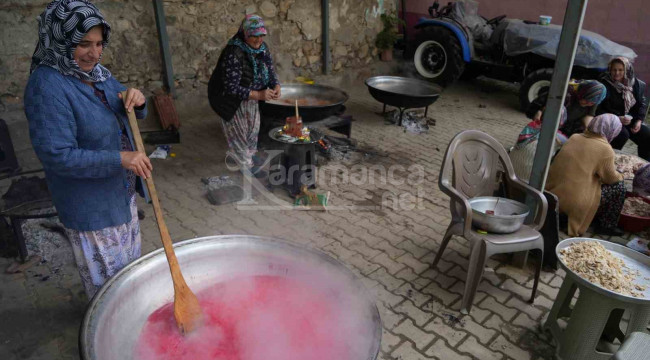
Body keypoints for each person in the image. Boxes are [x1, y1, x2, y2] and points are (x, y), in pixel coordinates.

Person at [24, 0, 151, 298]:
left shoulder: (98, 74)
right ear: (60, 40)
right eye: (83, 44)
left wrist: (137, 101)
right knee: (110, 293)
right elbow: (58, 156)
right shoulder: (47, 86)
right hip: (91, 207)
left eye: (98, 43)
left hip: (120, 194)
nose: (94, 53)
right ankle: (108, 340)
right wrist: (120, 157)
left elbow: (124, 107)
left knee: (129, 275)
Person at [208, 14, 281, 177]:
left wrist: (275, 84)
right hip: (229, 100)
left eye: (261, 35)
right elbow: (230, 87)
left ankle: (245, 158)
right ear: (245, 33)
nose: (258, 40)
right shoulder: (234, 52)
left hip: (252, 97)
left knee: (252, 131)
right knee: (238, 133)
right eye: (254, 36)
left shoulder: (262, 48)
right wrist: (258, 94)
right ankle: (246, 167)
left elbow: (269, 69)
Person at [545, 114, 625, 237]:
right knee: (619, 187)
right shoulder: (606, 149)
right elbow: (611, 179)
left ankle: (563, 216)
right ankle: (606, 226)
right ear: (612, 131)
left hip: (551, 192)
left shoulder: (574, 137)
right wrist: (621, 175)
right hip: (574, 202)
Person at [596, 56, 650, 160]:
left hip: (630, 120)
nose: (617, 73)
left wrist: (639, 120)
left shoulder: (635, 84)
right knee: (622, 135)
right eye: (614, 70)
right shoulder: (604, 84)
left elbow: (642, 104)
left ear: (626, 70)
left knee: (647, 135)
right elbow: (598, 109)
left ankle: (644, 165)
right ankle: (608, 161)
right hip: (611, 120)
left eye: (620, 70)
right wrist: (617, 118)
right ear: (610, 70)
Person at [527, 80, 607, 138]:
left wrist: (588, 129)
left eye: (592, 103)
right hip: (545, 127)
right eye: (586, 100)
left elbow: (589, 115)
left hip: (565, 131)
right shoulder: (565, 92)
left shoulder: (595, 99)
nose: (588, 104)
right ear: (582, 92)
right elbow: (538, 107)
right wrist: (540, 111)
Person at [510, 106, 568, 182]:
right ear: (561, 121)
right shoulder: (561, 139)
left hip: (510, 174)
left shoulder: (531, 126)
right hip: (529, 182)